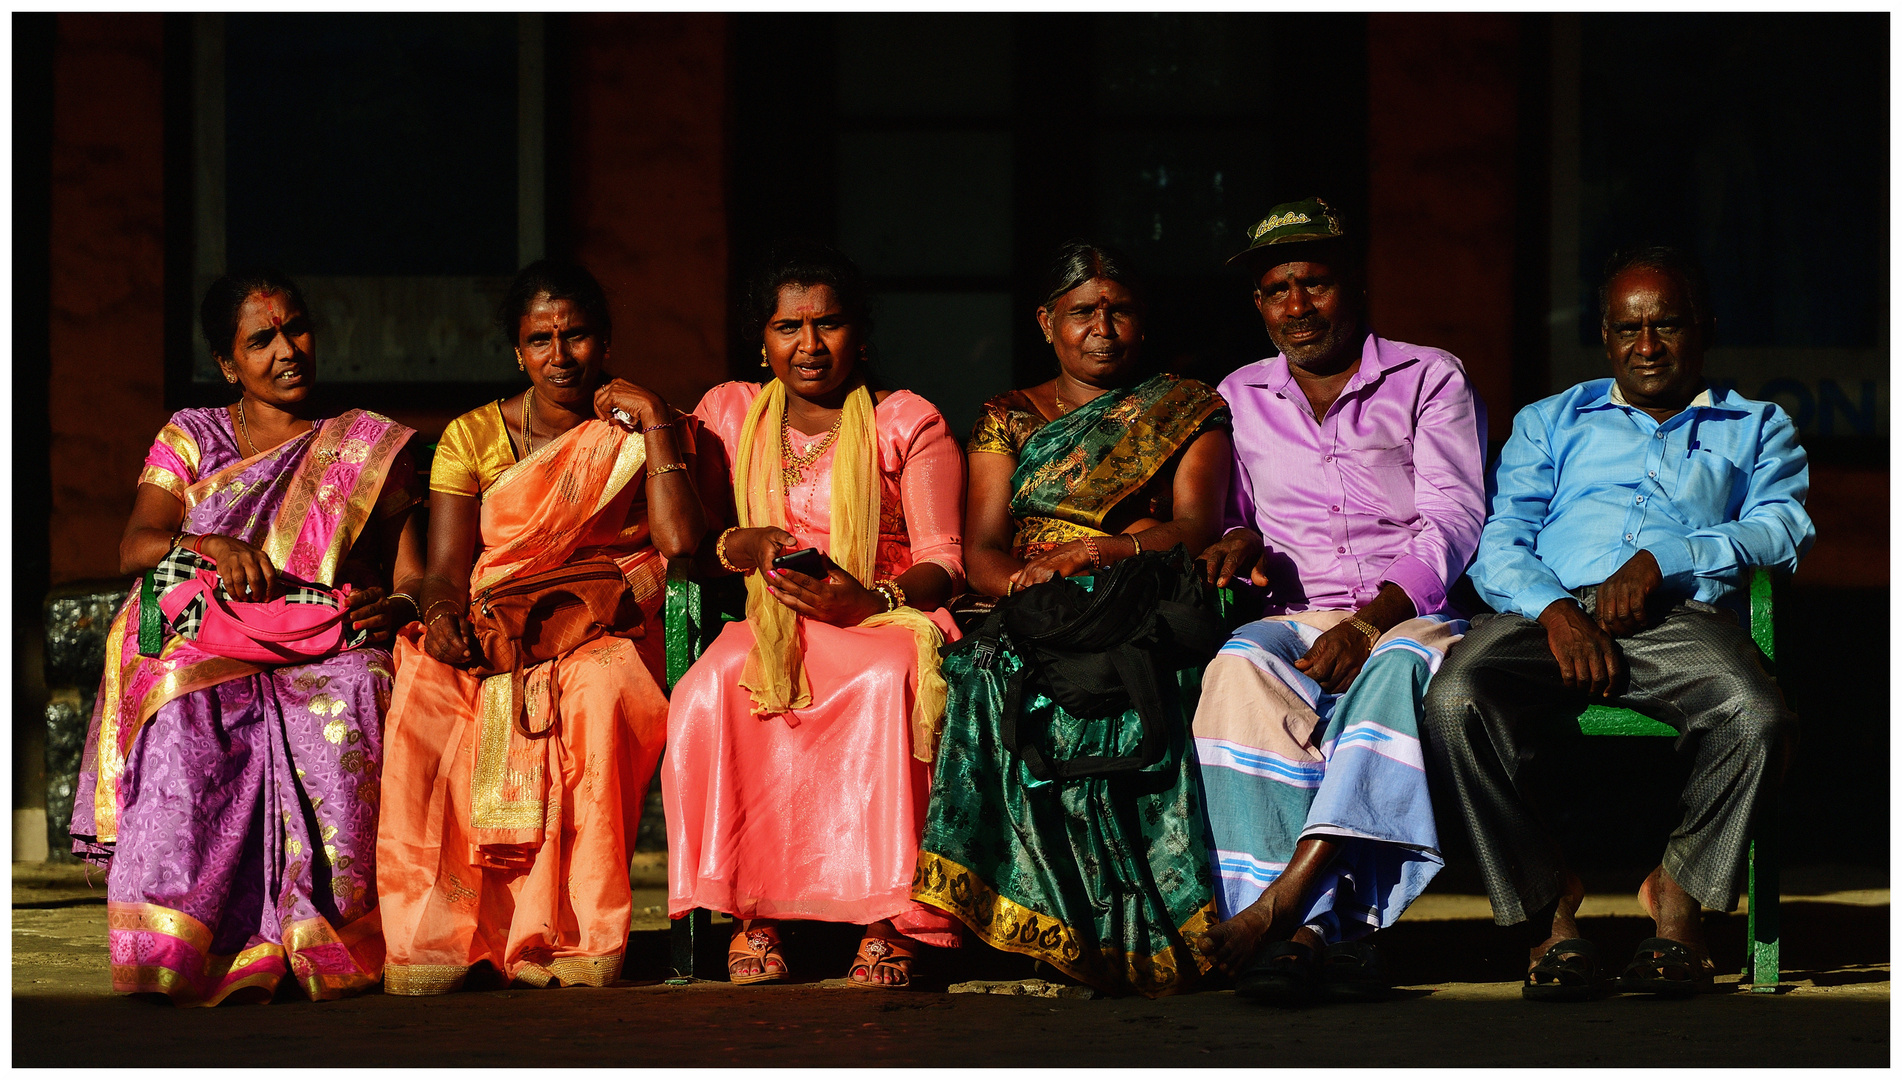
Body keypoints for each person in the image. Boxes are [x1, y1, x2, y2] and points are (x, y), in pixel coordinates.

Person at [1421, 246, 1812, 998]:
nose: (1646, 346)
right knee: (1454, 700)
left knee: (1759, 717)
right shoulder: (1550, 421)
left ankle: (1678, 899)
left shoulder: (1757, 426)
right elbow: (1500, 543)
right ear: (1604, 336)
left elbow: (1783, 530)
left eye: (1666, 325)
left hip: (1680, 619)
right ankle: (1549, 912)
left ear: (1704, 329)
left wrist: (1664, 558)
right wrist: (1559, 610)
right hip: (1550, 614)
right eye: (1628, 328)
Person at [68, 269, 426, 1006]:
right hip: (214, 638)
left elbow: (416, 575)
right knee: (186, 711)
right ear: (229, 364)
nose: (288, 350)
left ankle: (336, 936)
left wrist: (395, 605)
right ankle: (179, 943)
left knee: (362, 689)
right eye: (261, 340)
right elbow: (138, 545)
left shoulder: (361, 446)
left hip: (323, 640)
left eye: (296, 328)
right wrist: (206, 548)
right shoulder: (192, 434)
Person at [911, 241, 1233, 997]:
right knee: (986, 672)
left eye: (1119, 310)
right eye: (1082, 311)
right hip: (1031, 606)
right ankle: (1032, 924)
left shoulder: (1187, 408)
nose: (1102, 327)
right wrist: (1027, 591)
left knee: (1139, 683)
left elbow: (1193, 526)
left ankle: (1139, 930)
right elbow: (983, 545)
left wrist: (1096, 556)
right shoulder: (1007, 419)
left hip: (1138, 593)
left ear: (1143, 323)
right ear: (1046, 322)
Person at [376, 260, 706, 994]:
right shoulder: (472, 437)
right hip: (496, 620)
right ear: (516, 352)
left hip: (605, 623)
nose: (561, 356)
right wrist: (438, 617)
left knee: (600, 688)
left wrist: (653, 420)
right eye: (540, 340)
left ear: (607, 344)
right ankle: (452, 937)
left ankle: (574, 933)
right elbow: (445, 570)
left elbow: (681, 546)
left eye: (578, 335)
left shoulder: (643, 429)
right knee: (427, 684)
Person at [1191, 198, 1489, 1002]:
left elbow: (1456, 517)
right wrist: (1238, 541)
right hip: (1296, 617)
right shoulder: (1240, 394)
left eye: (1315, 283)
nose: (1297, 306)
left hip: (1412, 613)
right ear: (1258, 305)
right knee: (1237, 666)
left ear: (1353, 285)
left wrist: (1370, 622)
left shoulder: (1430, 376)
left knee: (1392, 670)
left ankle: (1303, 919)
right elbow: (1238, 520)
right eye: (1276, 290)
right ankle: (1296, 917)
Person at [663, 241, 965, 989]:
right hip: (774, 621)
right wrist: (742, 540)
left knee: (886, 681)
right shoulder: (728, 414)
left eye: (827, 325)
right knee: (710, 687)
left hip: (883, 619)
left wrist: (872, 600)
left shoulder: (906, 421)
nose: (808, 345)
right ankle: (750, 914)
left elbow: (945, 558)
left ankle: (884, 919)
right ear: (761, 341)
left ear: (859, 335)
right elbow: (693, 546)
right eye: (788, 328)